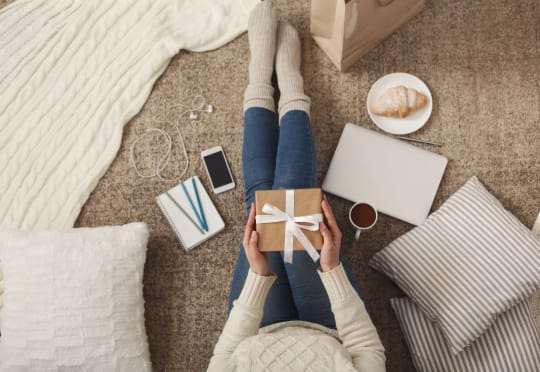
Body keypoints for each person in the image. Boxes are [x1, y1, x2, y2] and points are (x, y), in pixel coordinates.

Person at [208, 1, 386, 371]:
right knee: (290, 195)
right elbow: (368, 350)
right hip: (329, 329)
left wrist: (258, 277)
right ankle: (290, 84)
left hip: (260, 329)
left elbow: (224, 359)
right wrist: (332, 268)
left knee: (261, 201)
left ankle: (260, 76)